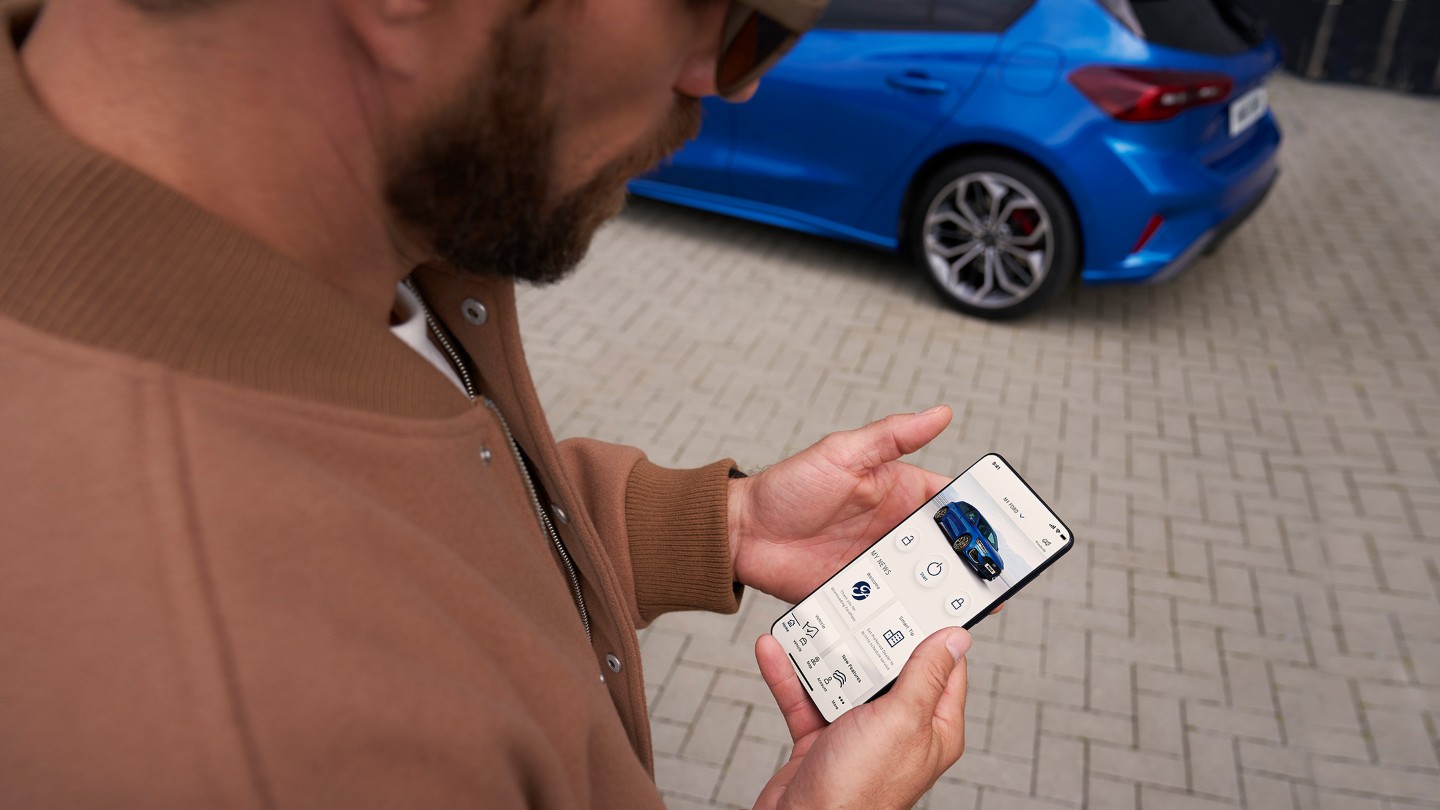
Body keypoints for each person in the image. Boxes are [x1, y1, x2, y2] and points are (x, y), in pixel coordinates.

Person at [0, 0, 973, 806]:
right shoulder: (256, 743)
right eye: (728, 14)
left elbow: (429, 522)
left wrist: (717, 523)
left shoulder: (375, 224)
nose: (730, 78)